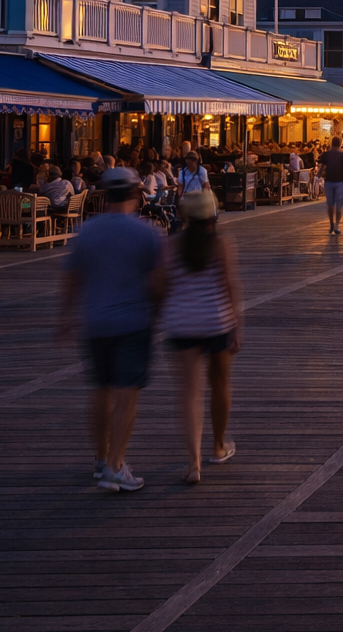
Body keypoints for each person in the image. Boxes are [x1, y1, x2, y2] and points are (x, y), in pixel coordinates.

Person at [59, 168, 163, 492]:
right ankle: (116, 468)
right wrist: (156, 313)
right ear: (136, 194)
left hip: (95, 322)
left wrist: (64, 317)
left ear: (104, 195)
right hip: (133, 321)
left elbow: (72, 278)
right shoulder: (146, 232)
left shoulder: (87, 231)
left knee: (100, 391)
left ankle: (101, 459)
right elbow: (157, 283)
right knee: (126, 395)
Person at [160, 191, 242, 484]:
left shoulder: (170, 247)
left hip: (182, 324)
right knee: (219, 383)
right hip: (216, 321)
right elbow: (230, 286)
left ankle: (194, 463)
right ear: (213, 215)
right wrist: (237, 327)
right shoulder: (221, 245)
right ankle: (218, 447)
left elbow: (162, 286)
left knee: (189, 394)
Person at [317, 138, 343, 234]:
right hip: (340, 182)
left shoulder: (326, 154)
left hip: (329, 181)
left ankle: (331, 223)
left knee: (330, 204)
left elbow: (322, 166)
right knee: (339, 205)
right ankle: (336, 225)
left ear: (331, 144)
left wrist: (319, 174)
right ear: (339, 144)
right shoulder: (342, 155)